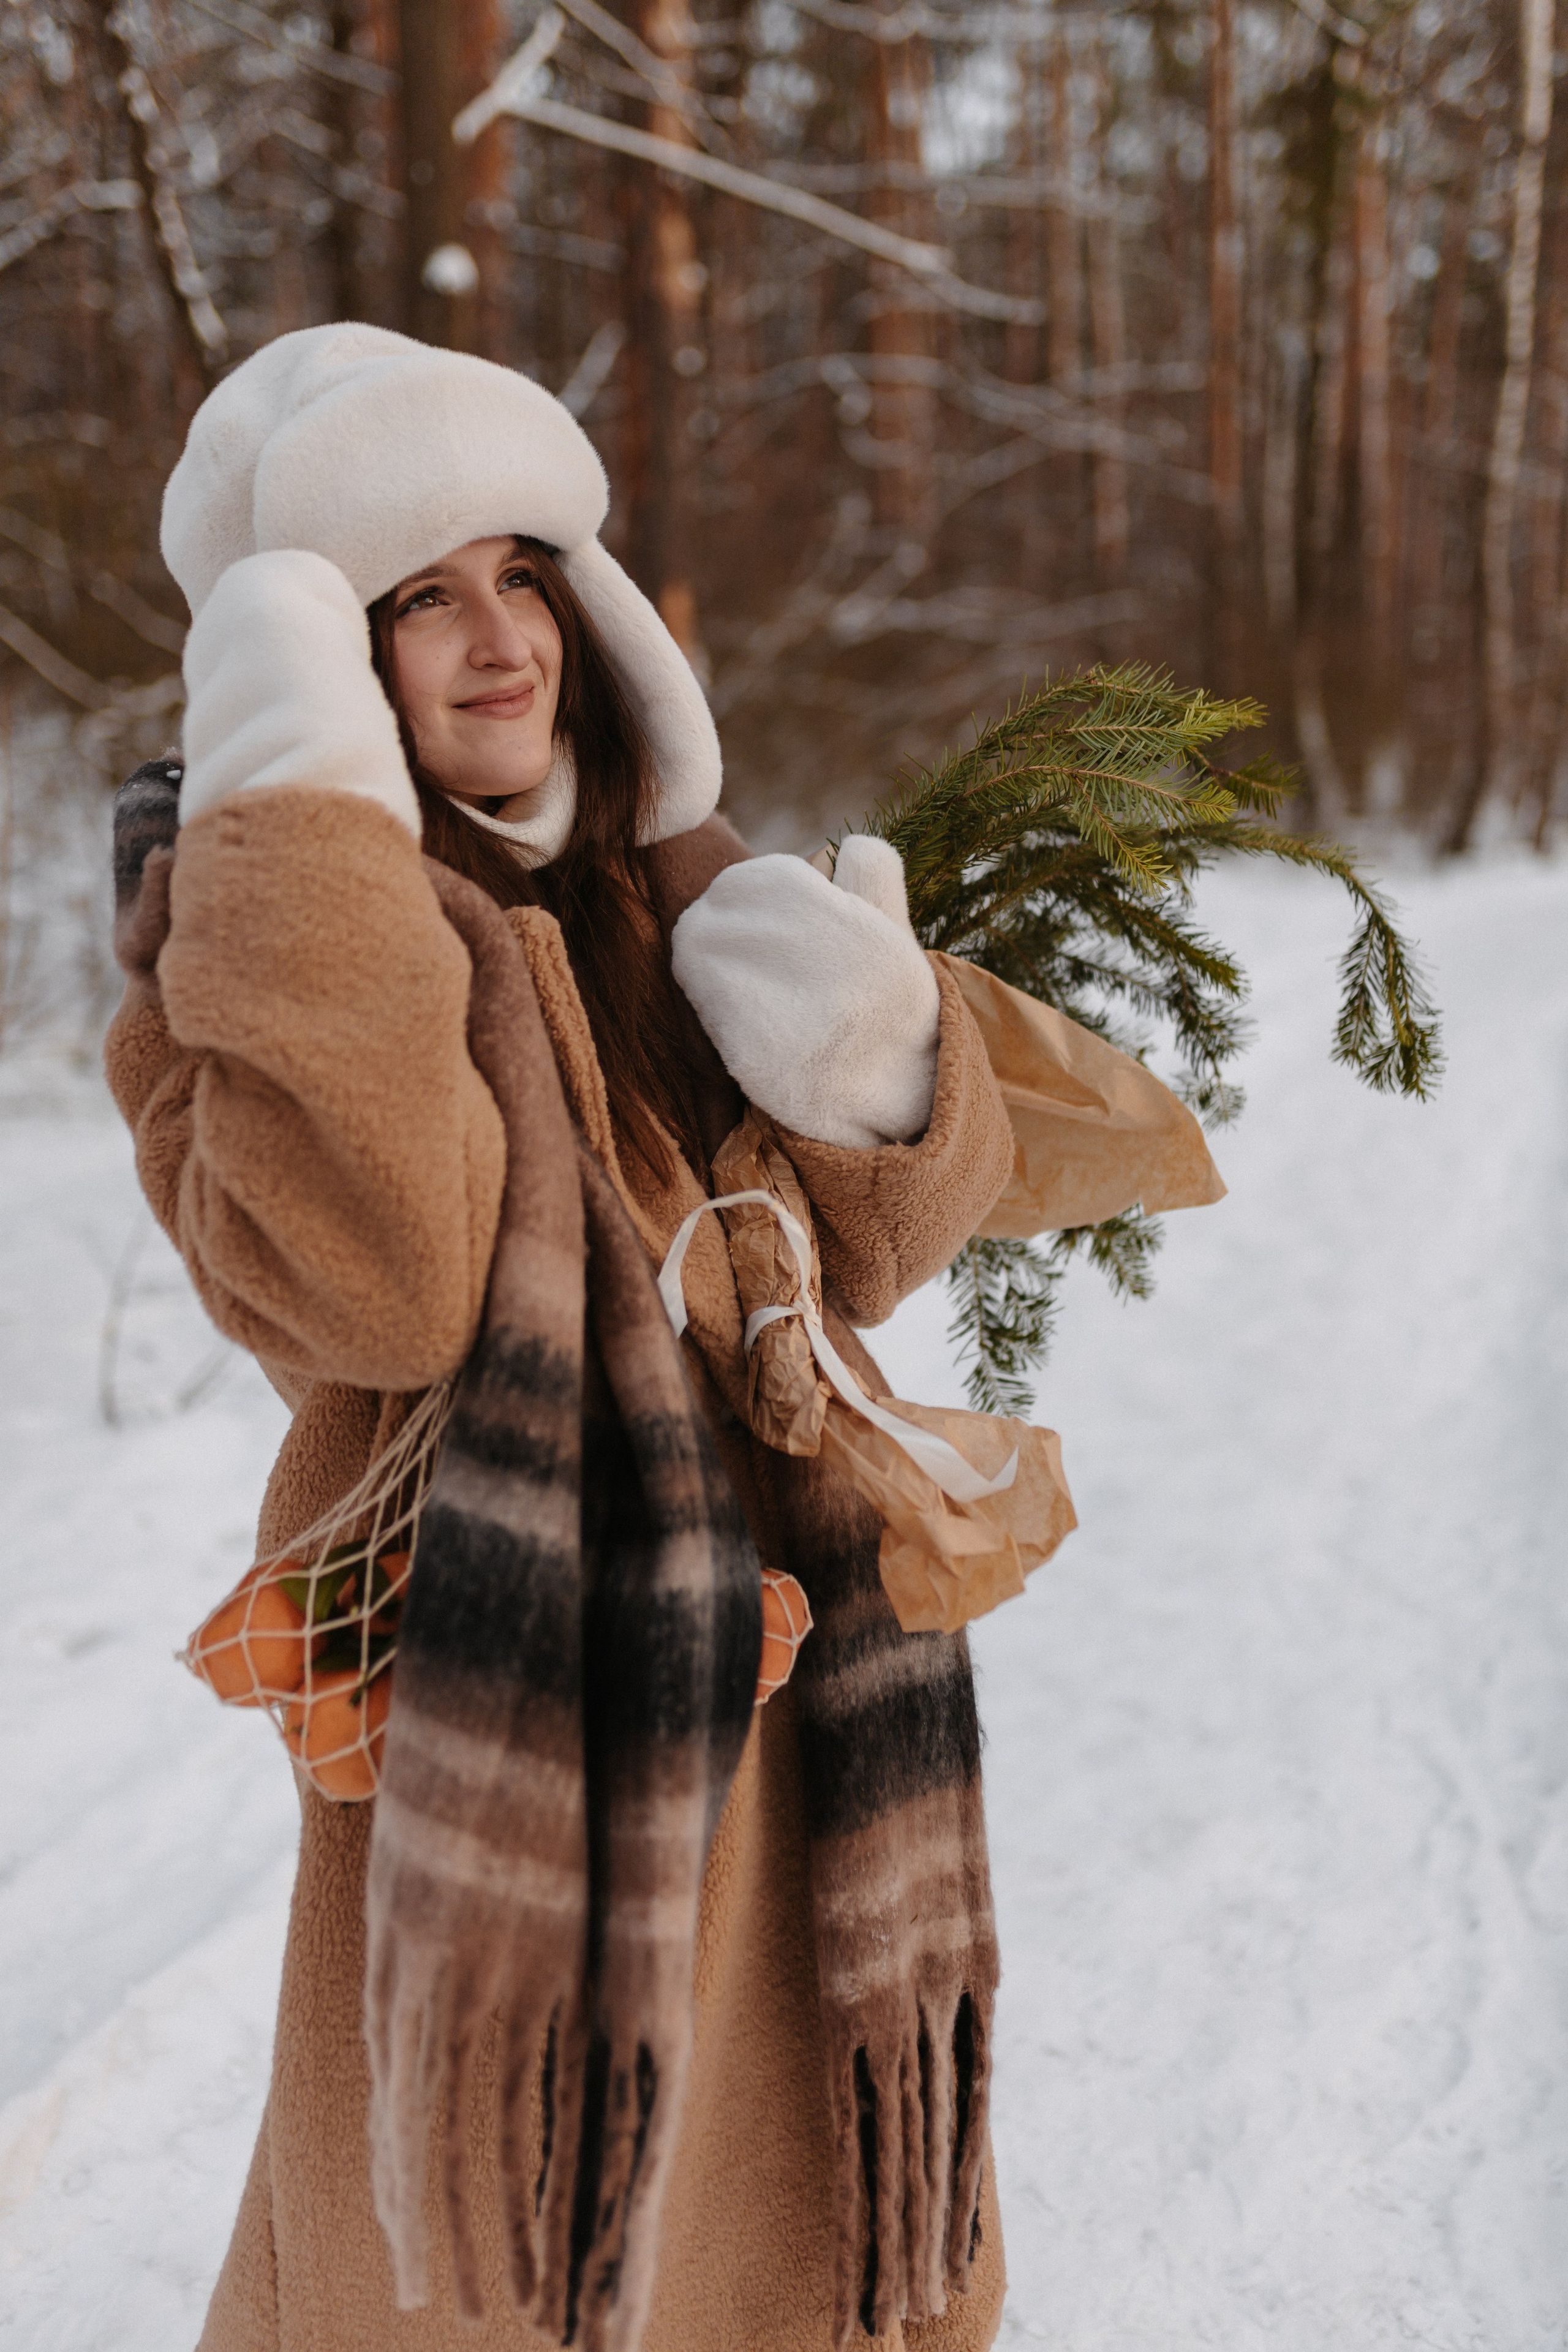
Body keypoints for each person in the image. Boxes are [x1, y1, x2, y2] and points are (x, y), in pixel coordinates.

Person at [106, 322, 1017, 2352]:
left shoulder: (656, 895)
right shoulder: (229, 974)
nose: (495, 640)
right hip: (501, 1694)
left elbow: (868, 1256)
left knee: (766, 2228)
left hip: (782, 1684)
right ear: (314, 663)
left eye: (520, 571)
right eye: (413, 599)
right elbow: (393, 1279)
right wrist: (308, 853)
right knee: (491, 2246)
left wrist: (867, 1050)